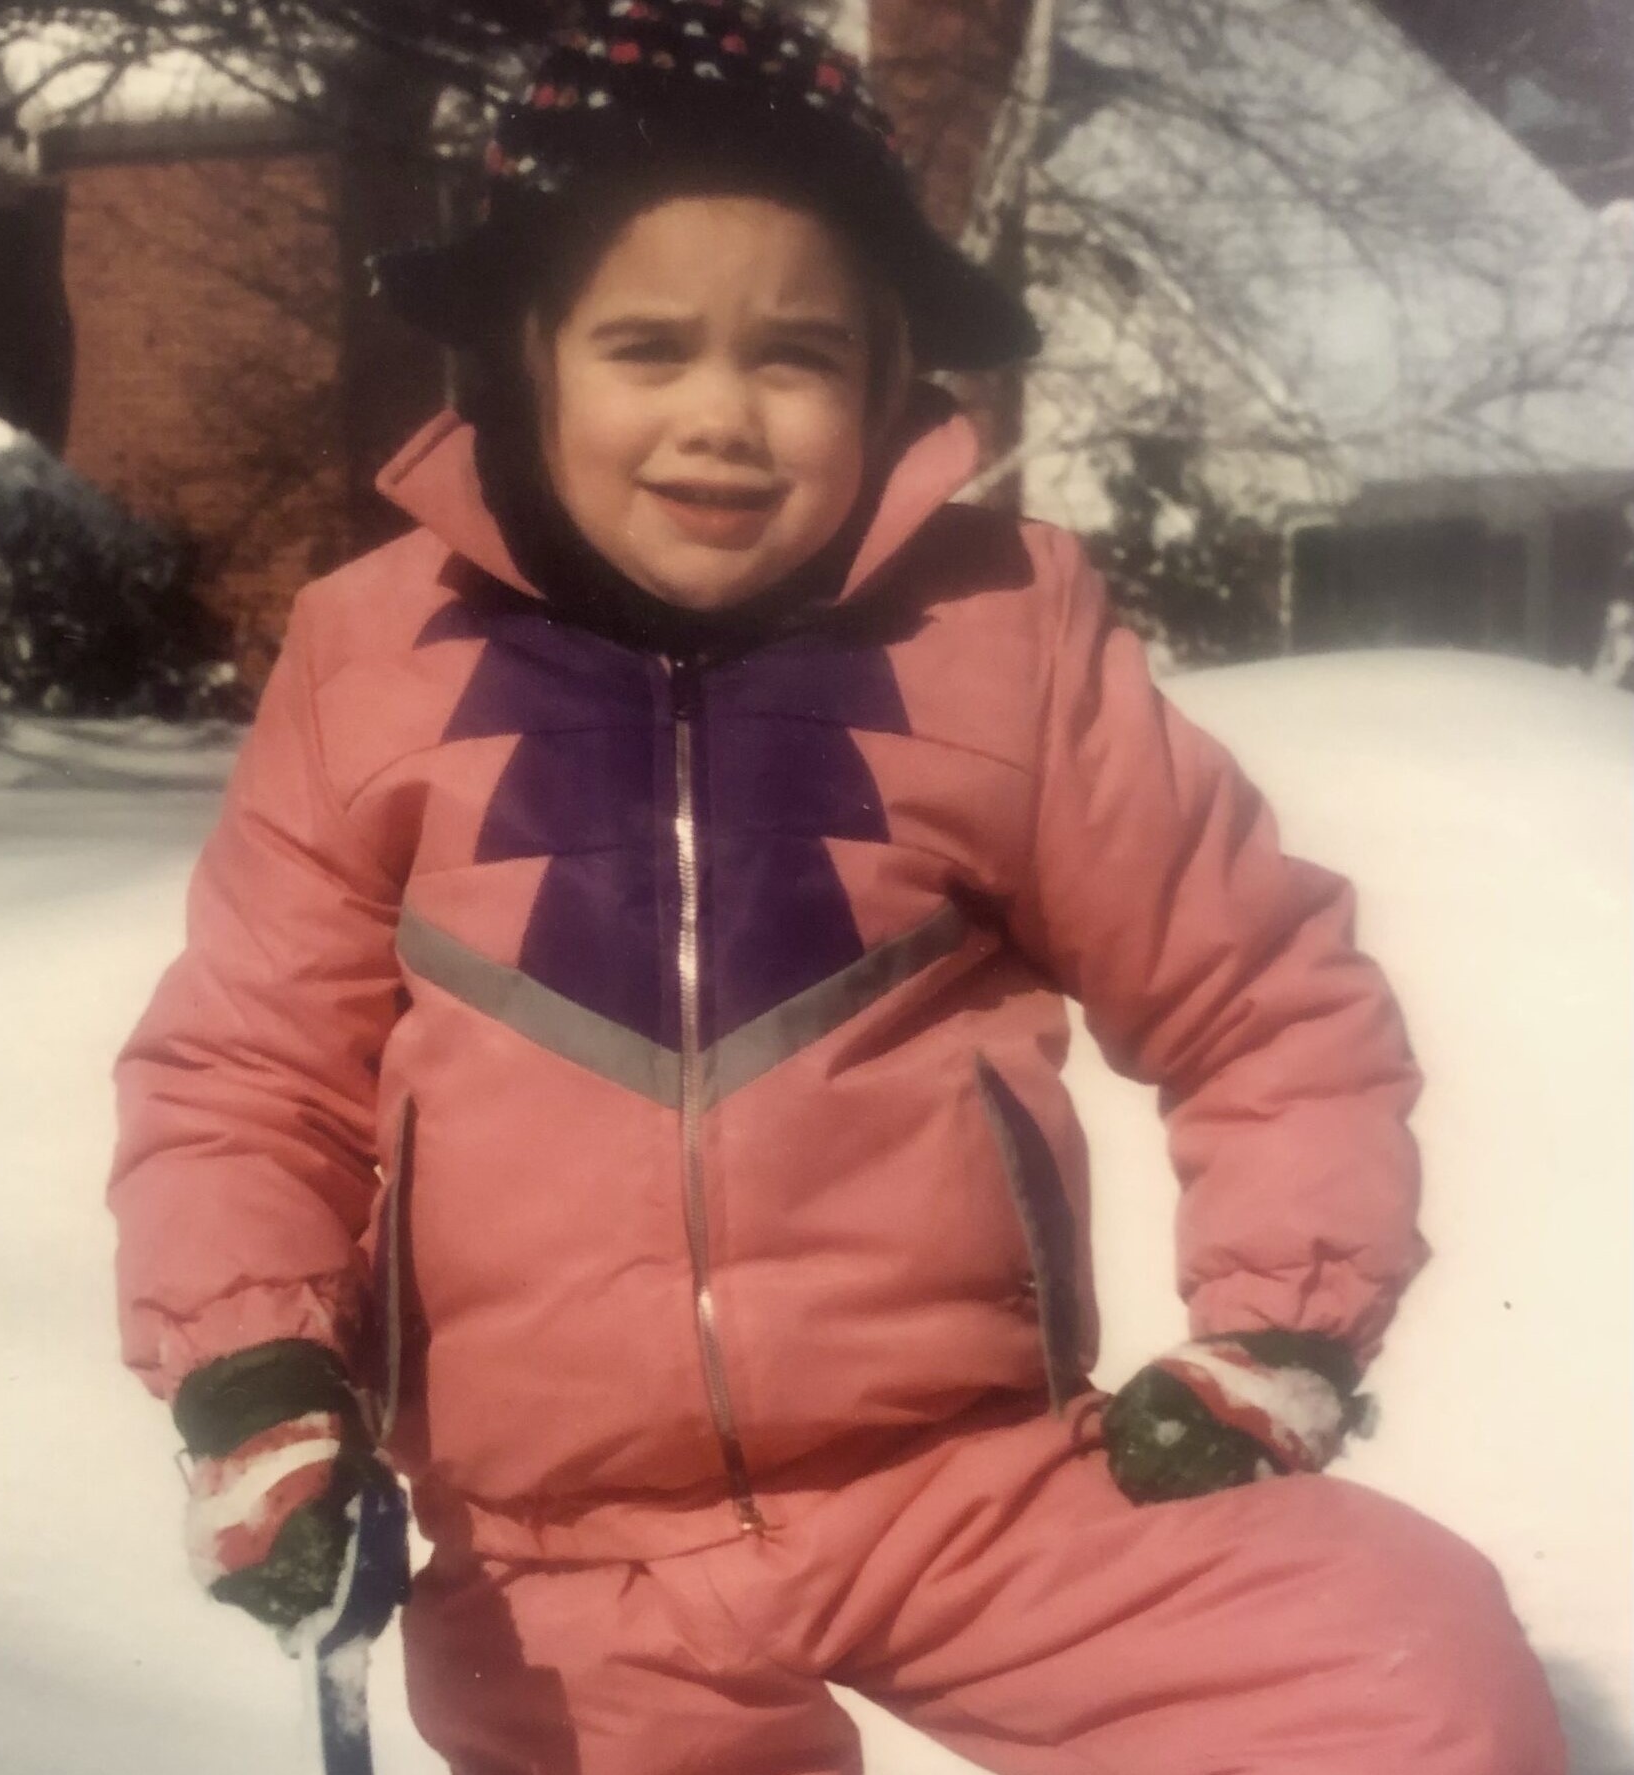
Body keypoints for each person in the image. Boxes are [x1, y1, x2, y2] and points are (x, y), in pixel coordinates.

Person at [108, 3, 1566, 1769]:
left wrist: (1279, 1321)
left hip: (964, 1485)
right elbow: (244, 1080)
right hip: (561, 1560)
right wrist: (256, 1376)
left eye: (797, 355)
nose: (721, 418)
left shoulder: (999, 641)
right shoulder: (372, 661)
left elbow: (1261, 997)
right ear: (520, 359)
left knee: (1406, 1671)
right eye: (647, 346)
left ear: (890, 380)